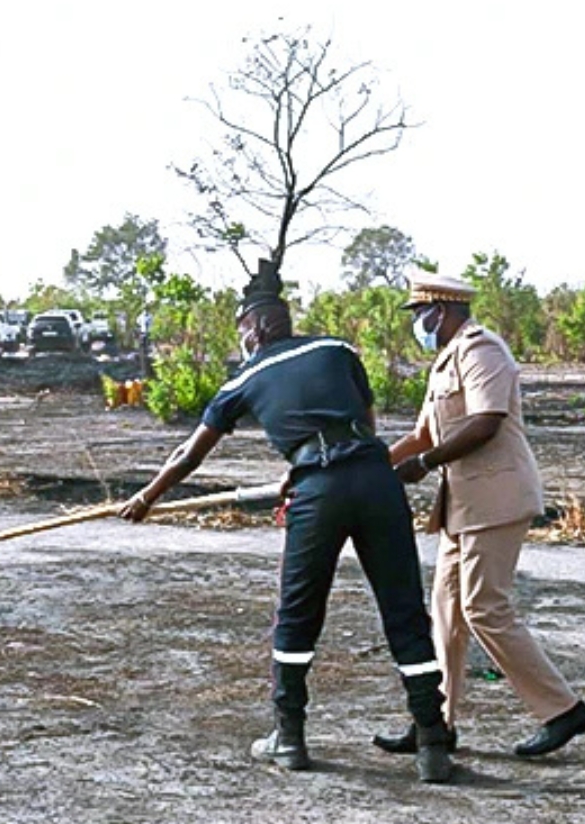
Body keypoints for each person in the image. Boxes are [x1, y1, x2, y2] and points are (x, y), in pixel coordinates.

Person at [119, 259, 454, 783]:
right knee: (405, 612)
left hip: (319, 491)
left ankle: (289, 737)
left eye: (241, 330)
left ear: (254, 328)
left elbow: (189, 454)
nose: (242, 340)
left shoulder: (245, 378)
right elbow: (363, 424)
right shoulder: (336, 349)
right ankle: (433, 742)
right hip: (374, 475)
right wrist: (300, 470)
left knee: (297, 615)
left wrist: (146, 497)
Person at [375, 272, 585, 759]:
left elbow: (486, 422)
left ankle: (562, 710)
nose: (418, 323)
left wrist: (425, 465)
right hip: (463, 505)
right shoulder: (444, 362)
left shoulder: (482, 350)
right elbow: (421, 437)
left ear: (443, 309)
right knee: (446, 617)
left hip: (496, 499)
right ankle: (435, 723)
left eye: (421, 314)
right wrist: (371, 467)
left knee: (482, 607)